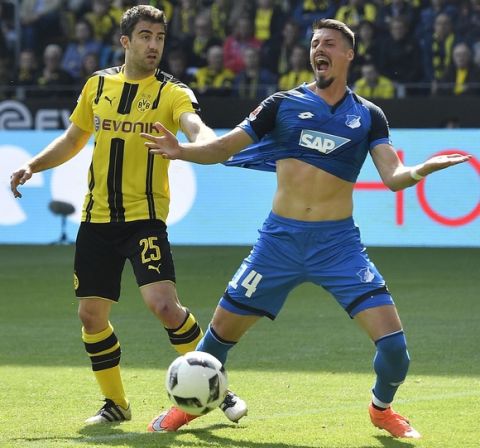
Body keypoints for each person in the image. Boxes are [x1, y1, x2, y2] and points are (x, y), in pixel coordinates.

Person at [141, 18, 471, 436]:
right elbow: (224, 147)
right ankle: (188, 407)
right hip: (279, 243)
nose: (320, 50)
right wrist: (181, 150)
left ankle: (381, 409)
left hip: (338, 247)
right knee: (218, 338)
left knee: (395, 350)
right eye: (315, 43)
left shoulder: (369, 116)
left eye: (330, 44)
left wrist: (421, 169)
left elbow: (393, 177)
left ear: (348, 54)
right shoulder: (281, 104)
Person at [10, 5, 246, 427]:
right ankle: (116, 404)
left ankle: (219, 388)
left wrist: (198, 145)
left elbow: (196, 128)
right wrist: (34, 165)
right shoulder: (98, 85)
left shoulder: (171, 93)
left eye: (159, 37)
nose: (154, 45)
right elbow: (73, 138)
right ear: (126, 41)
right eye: (145, 36)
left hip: (144, 218)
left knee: (164, 306)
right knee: (90, 316)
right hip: (96, 219)